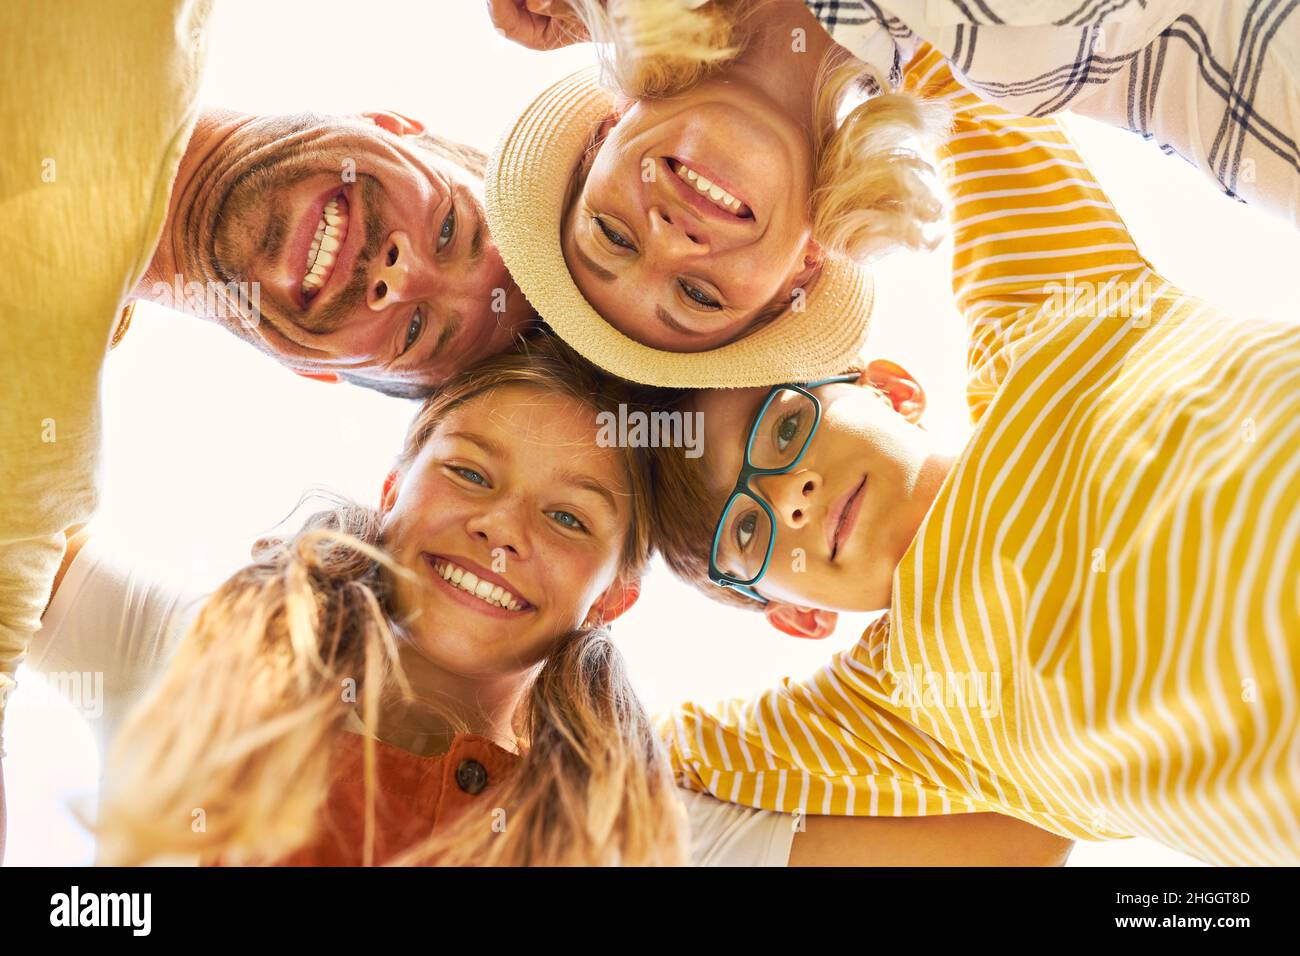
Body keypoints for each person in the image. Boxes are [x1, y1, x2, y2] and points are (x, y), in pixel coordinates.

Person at [28, 333, 1071, 866]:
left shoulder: (630, 818)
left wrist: (933, 541)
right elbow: (16, 527)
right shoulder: (200, 648)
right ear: (394, 488)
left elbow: (1023, 827)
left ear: (613, 595)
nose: (504, 528)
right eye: (472, 474)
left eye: (570, 519)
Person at [645, 48, 1300, 866]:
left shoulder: (1041, 320)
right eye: (748, 534)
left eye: (783, 431)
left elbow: (938, 51)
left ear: (890, 386)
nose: (790, 501)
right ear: (797, 616)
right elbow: (623, 766)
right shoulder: (893, 710)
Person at [0, 0, 536, 833]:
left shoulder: (31, 478)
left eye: (417, 330)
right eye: (451, 226)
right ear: (391, 124)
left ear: (316, 371)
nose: (400, 273)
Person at [484, 0, 1300, 383]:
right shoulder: (1020, 66)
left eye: (613, 235)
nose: (669, 239)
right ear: (800, 269)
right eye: (697, 294)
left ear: (606, 134)